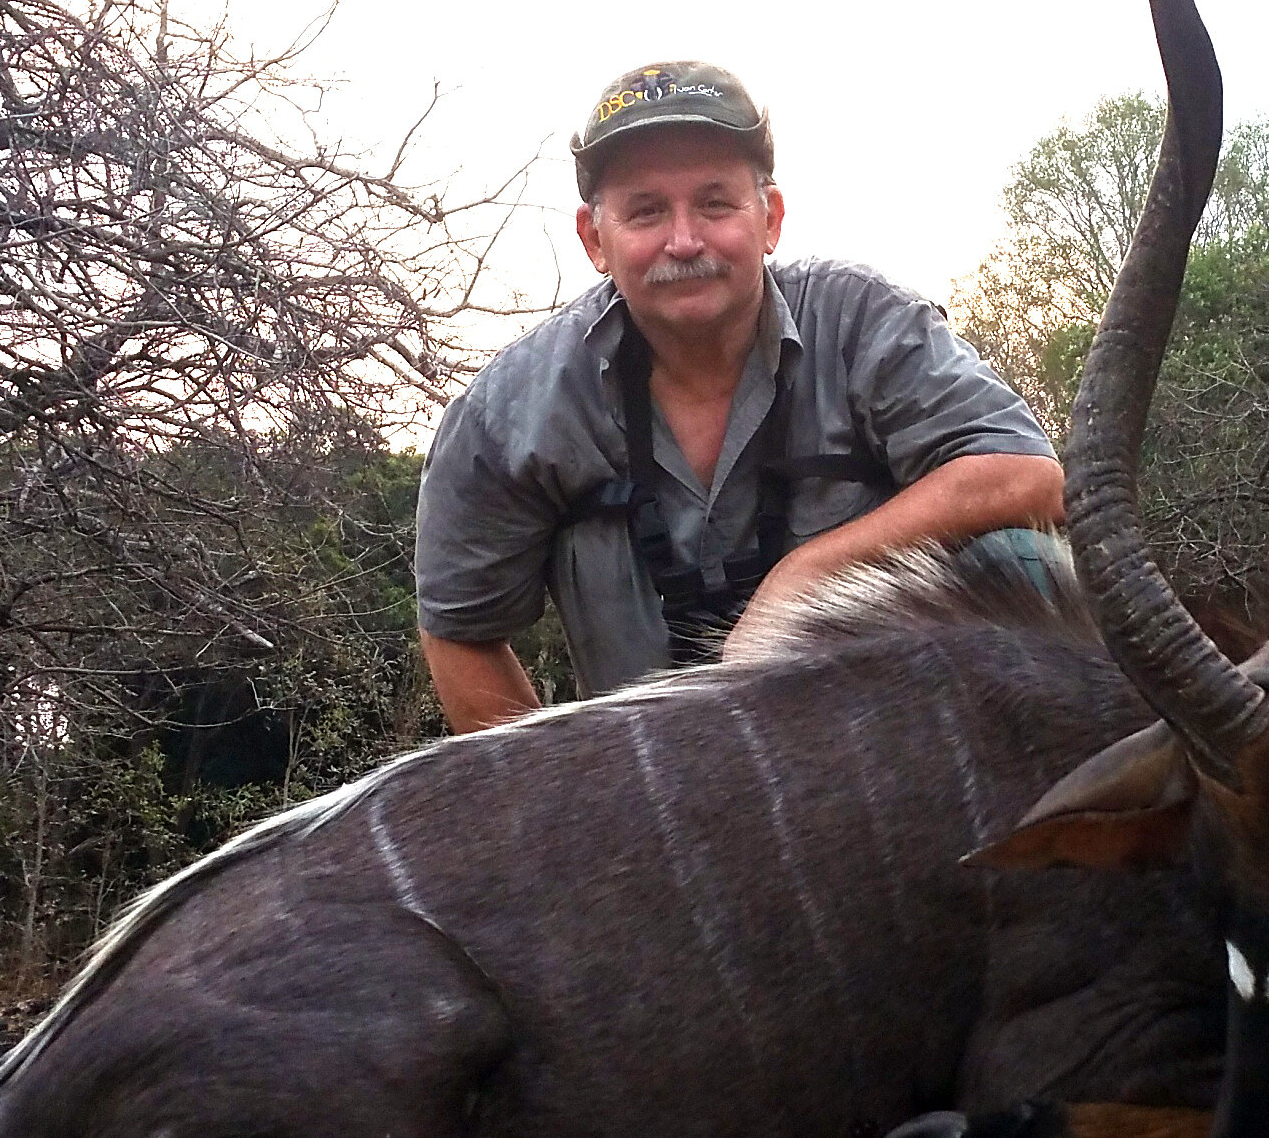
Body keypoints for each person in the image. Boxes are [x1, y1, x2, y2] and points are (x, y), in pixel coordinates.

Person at [414, 61, 1064, 733]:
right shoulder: (508, 411)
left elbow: (1027, 476)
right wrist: (561, 802)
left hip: (892, 747)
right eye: (646, 211)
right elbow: (460, 627)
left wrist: (803, 577)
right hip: (663, 785)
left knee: (1027, 563)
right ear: (593, 239)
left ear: (770, 218)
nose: (685, 240)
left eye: (716, 203)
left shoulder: (862, 321)